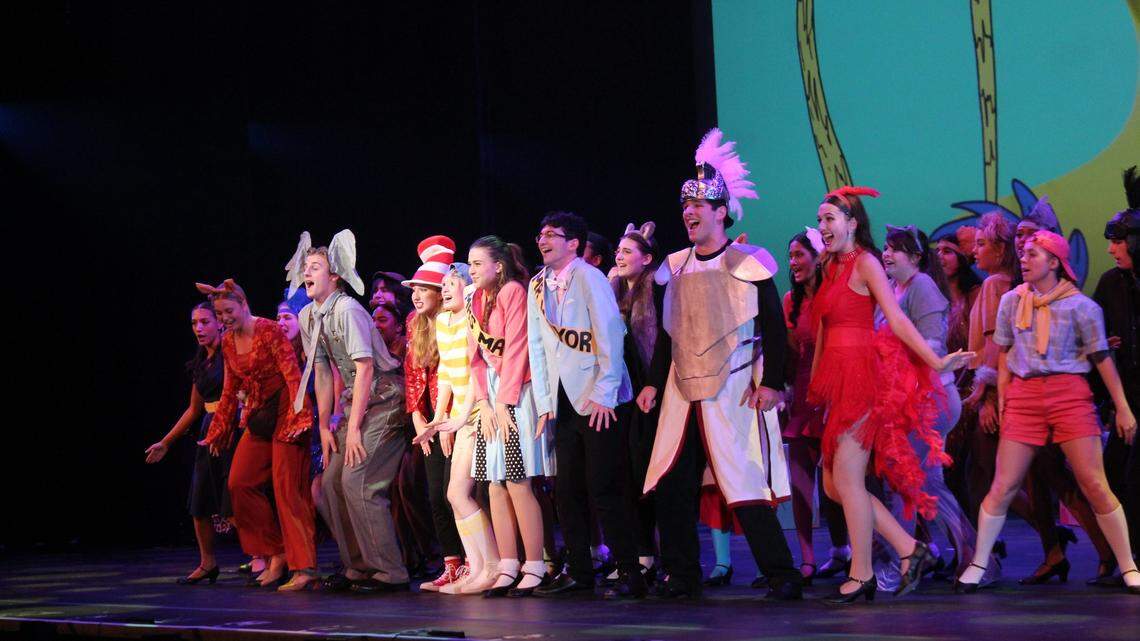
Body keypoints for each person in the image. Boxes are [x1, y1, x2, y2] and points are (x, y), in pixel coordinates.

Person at [640, 128, 801, 601]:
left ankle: (782, 576)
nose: (689, 212)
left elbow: (775, 328)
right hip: (680, 388)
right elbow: (670, 335)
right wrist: (652, 382)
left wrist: (772, 383)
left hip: (732, 387)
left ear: (721, 212)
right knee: (672, 483)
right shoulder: (673, 267)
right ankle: (682, 575)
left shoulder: (749, 263)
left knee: (744, 481)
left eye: (699, 206)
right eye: (685, 205)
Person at [808, 186, 972, 603]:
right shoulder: (829, 267)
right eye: (821, 219)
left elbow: (896, 319)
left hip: (863, 380)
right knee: (833, 485)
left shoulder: (865, 263)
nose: (823, 226)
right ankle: (907, 546)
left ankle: (862, 573)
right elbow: (825, 328)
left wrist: (936, 364)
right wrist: (815, 384)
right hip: (836, 382)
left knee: (847, 478)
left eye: (830, 219)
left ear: (852, 223)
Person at [954, 230, 1140, 595]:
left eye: (1033, 254)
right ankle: (978, 562)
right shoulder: (1011, 300)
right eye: (1022, 254)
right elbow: (1004, 353)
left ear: (1054, 262)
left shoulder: (1081, 306)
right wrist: (1005, 398)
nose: (1023, 260)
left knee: (1094, 483)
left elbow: (1101, 357)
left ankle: (1128, 564)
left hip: (1068, 393)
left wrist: (1122, 407)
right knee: (1004, 485)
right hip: (1024, 396)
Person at [524, 211, 644, 600]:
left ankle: (630, 571)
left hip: (598, 398)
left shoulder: (589, 277)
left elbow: (611, 334)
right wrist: (544, 403)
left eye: (551, 235)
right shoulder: (537, 285)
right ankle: (579, 571)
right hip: (562, 398)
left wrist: (605, 393)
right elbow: (538, 347)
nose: (542, 241)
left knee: (605, 487)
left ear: (573, 242)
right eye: (540, 235)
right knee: (567, 489)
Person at [288, 230, 412, 594]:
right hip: (357, 404)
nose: (307, 273)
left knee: (359, 482)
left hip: (385, 400)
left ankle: (390, 572)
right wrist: (325, 426)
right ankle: (359, 566)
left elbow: (367, 369)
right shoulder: (311, 315)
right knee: (327, 485)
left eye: (315, 267)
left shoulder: (348, 310)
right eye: (305, 267)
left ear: (335, 275)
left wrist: (353, 427)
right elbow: (323, 372)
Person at [874, 224, 987, 582]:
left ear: (917, 257)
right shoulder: (894, 288)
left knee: (906, 480)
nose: (887, 255)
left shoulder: (921, 286)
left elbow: (933, 343)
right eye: (886, 248)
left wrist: (898, 361)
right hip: (908, 400)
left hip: (929, 398)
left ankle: (902, 564)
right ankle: (974, 558)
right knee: (926, 483)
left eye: (896, 249)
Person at [196, 279, 318, 591]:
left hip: (286, 409)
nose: (224, 318)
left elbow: (293, 375)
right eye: (219, 313)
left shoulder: (268, 330)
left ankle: (303, 568)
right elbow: (228, 390)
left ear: (244, 305)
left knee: (287, 489)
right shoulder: (227, 341)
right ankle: (275, 552)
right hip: (258, 415)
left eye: (228, 311)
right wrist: (218, 428)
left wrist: (299, 415)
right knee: (239, 482)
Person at [466, 235, 555, 598]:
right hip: (491, 396)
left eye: (476, 264)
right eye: (469, 264)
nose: (471, 270)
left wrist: (504, 401)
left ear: (497, 266)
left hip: (517, 392)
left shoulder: (513, 292)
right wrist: (484, 403)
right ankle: (508, 563)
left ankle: (536, 564)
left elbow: (518, 348)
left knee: (518, 480)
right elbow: (474, 358)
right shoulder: (475, 299)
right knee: (493, 484)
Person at [415, 263, 503, 594]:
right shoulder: (441, 321)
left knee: (460, 492)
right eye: (445, 283)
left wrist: (462, 416)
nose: (446, 288)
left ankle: (489, 566)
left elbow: (475, 369)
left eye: (453, 282)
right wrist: (439, 418)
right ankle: (478, 567)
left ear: (467, 287)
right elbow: (448, 375)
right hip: (460, 414)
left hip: (479, 411)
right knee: (454, 494)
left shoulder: (470, 319)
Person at [145, 301, 237, 585]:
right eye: (195, 323)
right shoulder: (202, 361)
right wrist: (166, 442)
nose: (199, 328)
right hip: (207, 431)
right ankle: (208, 562)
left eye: (205, 321)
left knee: (235, 497)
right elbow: (193, 409)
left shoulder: (231, 353)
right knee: (199, 500)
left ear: (220, 322)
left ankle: (267, 556)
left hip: (232, 427)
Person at [782, 228, 849, 583]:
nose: (793, 263)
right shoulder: (789, 303)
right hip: (803, 396)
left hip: (835, 393)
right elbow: (790, 354)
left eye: (799, 255)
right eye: (790, 256)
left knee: (838, 482)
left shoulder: (835, 294)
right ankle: (807, 558)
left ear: (818, 257)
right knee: (801, 480)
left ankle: (844, 550)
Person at [402, 236, 466, 591]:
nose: (416, 295)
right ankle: (451, 563)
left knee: (452, 492)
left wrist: (446, 423)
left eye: (423, 288)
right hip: (430, 420)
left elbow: (457, 375)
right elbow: (412, 374)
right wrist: (418, 419)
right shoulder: (416, 323)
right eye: (414, 289)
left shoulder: (453, 320)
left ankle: (472, 560)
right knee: (433, 495)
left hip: (455, 417)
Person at [608, 222, 666, 585]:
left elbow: (660, 343)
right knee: (629, 477)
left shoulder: (655, 290)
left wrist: (655, 386)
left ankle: (656, 555)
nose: (620, 255)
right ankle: (640, 553)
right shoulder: (613, 292)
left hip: (652, 391)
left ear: (647, 259)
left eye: (628, 251)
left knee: (650, 476)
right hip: (622, 397)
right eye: (619, 250)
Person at [1090, 166, 1140, 583]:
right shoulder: (1110, 284)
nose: (1112, 250)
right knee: (1116, 477)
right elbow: (1094, 343)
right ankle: (1128, 560)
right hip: (1126, 401)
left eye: (1119, 241)